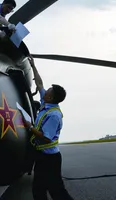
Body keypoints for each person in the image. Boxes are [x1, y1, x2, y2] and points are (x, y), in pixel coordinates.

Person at [21, 56, 74, 200]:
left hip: (50, 159)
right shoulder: (46, 103)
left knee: (57, 191)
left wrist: (30, 127)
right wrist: (33, 66)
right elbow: (39, 83)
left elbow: (45, 137)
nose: (44, 92)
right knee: (38, 189)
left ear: (50, 98)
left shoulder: (54, 115)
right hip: (42, 156)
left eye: (48, 92)